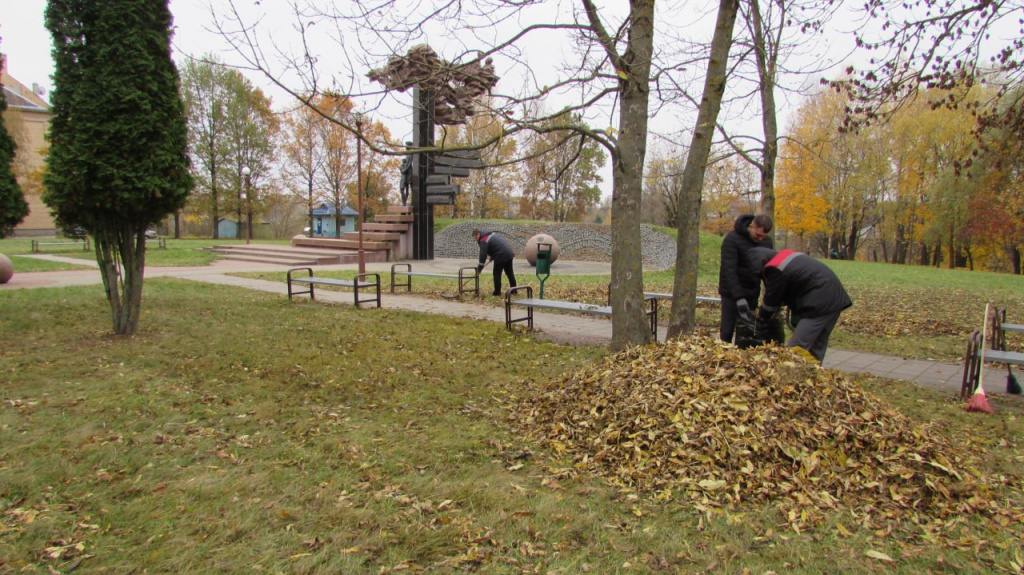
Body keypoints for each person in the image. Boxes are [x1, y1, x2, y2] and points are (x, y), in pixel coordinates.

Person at [746, 247, 853, 363]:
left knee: (795, 349)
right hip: (834, 298)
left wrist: (761, 320)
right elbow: (796, 282)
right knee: (816, 346)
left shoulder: (775, 267)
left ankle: (792, 372)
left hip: (819, 302)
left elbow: (771, 301)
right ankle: (814, 372)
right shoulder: (786, 257)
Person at [718, 214, 774, 344]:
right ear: (751, 226)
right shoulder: (732, 239)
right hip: (730, 293)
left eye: (763, 236)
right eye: (758, 235)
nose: (760, 239)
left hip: (752, 292)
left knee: (747, 332)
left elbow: (767, 270)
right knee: (727, 331)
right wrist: (738, 297)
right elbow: (728, 270)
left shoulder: (766, 242)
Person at [473, 229, 517, 296]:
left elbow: (483, 255)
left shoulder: (483, 240)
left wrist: (480, 267)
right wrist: (492, 257)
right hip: (508, 253)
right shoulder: (490, 234)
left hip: (500, 255)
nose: (476, 239)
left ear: (478, 234)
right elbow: (496, 246)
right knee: (509, 273)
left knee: (497, 274)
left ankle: (497, 292)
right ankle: (514, 291)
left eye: (476, 237)